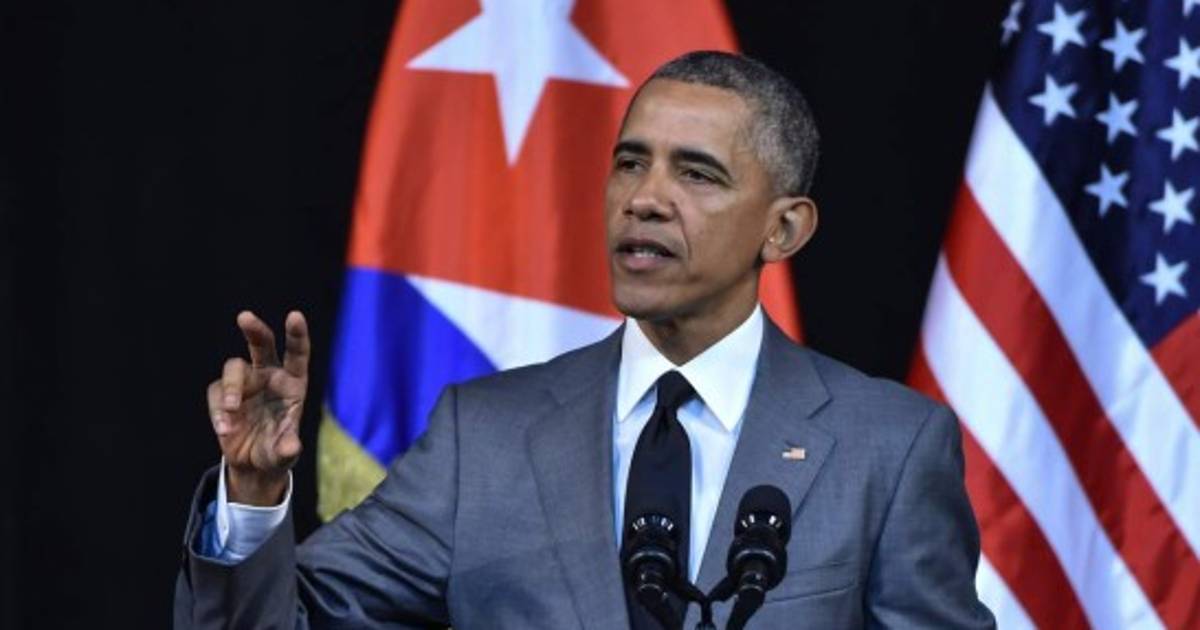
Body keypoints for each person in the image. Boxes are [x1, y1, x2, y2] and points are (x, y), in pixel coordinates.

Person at [175, 51, 996, 629]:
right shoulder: (481, 438)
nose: (645, 198)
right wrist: (253, 495)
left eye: (696, 173)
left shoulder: (888, 447)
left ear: (783, 229)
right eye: (630, 163)